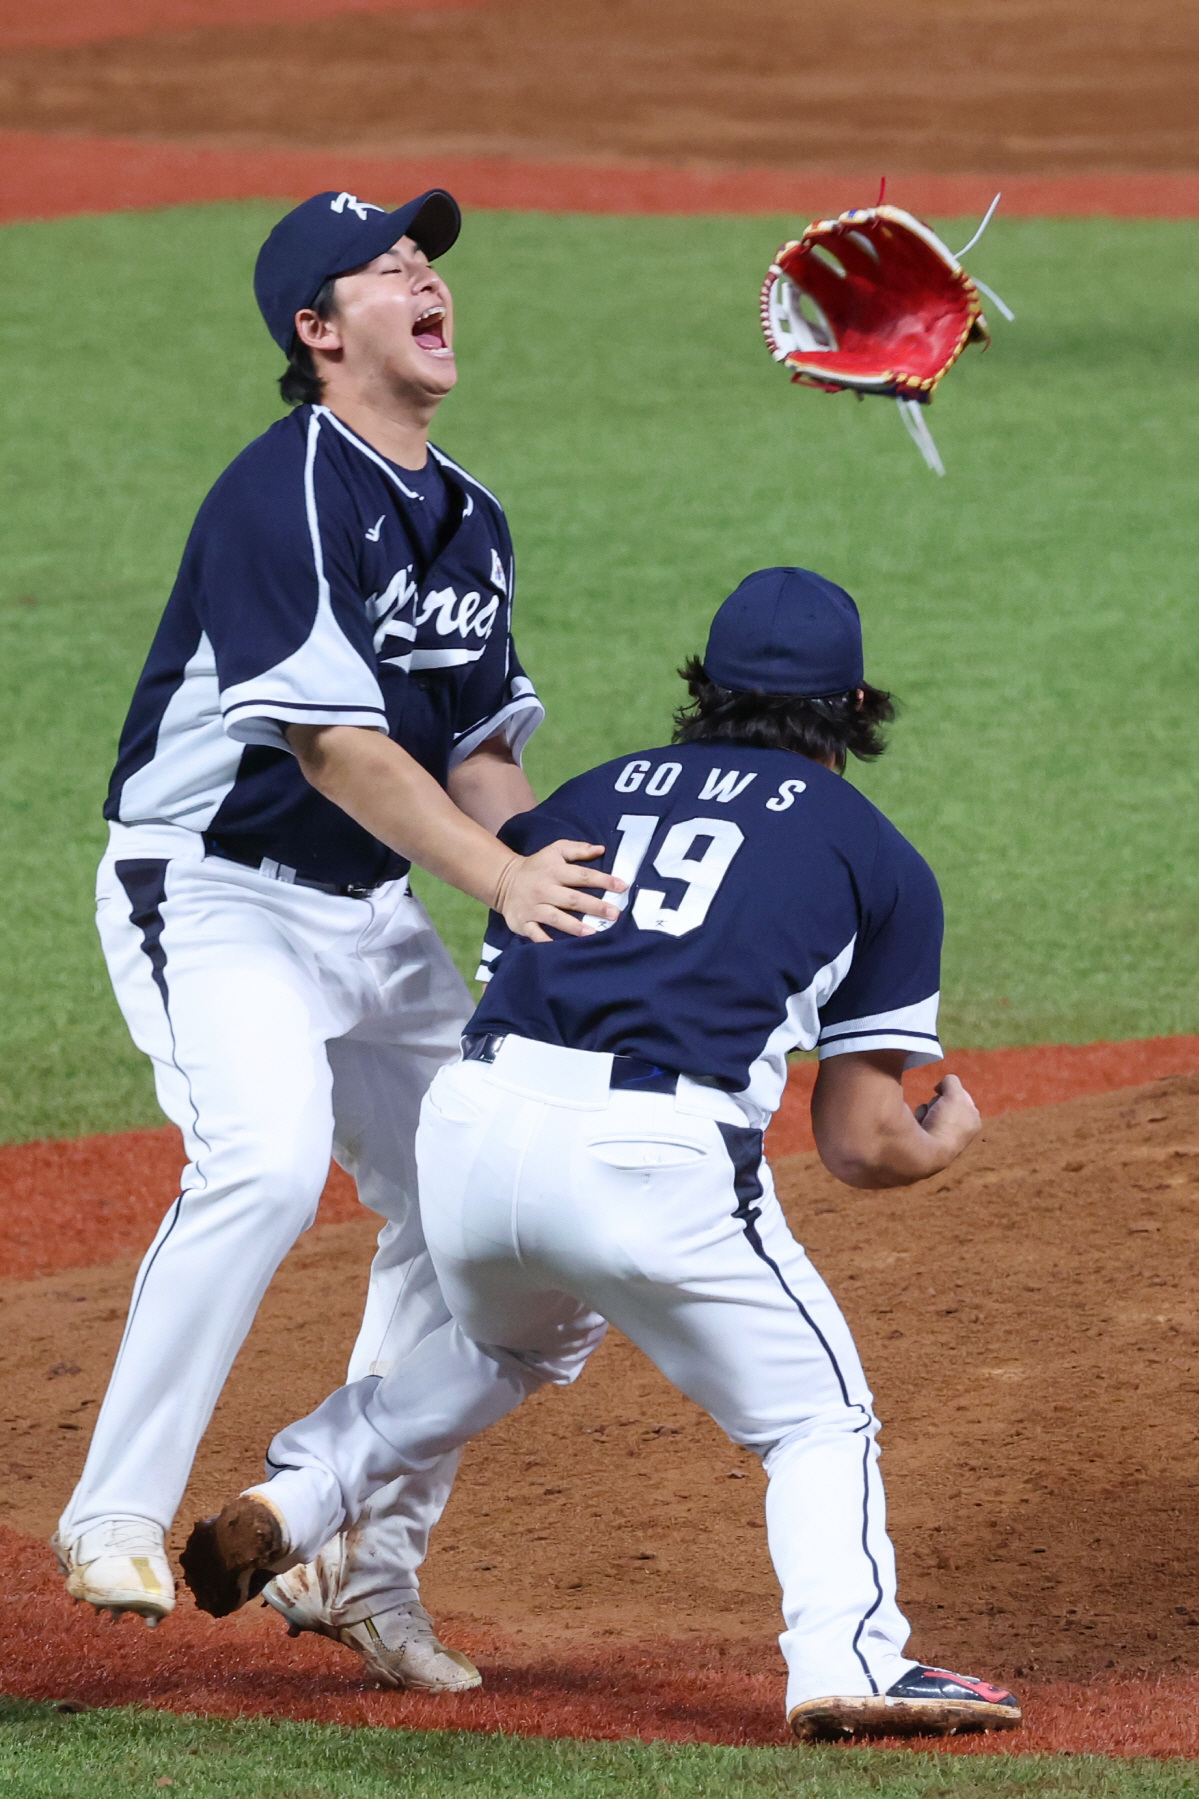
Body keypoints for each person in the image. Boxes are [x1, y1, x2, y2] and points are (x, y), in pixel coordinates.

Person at [181, 566, 1022, 1740]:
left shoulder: (585, 794)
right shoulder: (873, 852)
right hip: (651, 1156)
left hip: (473, 1131)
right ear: (855, 710)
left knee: (503, 1340)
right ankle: (849, 1654)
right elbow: (858, 1143)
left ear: (705, 693)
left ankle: (299, 1489)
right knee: (816, 1416)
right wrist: (939, 1143)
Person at [53, 187, 622, 1694]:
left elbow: (480, 744)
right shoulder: (286, 487)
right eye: (388, 264)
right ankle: (112, 1505)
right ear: (319, 329)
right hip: (214, 885)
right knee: (261, 1157)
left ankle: (352, 1553)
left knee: (477, 1208)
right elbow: (333, 749)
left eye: (428, 257)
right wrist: (498, 881)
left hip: (366, 909)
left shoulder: (470, 511)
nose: (425, 272)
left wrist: (547, 876)